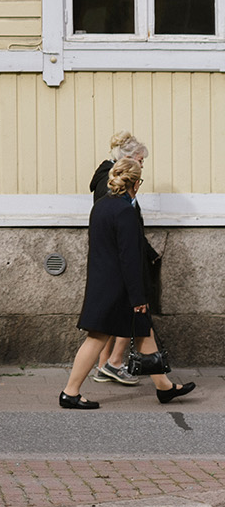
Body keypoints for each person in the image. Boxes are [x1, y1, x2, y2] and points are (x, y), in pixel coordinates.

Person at [60, 157, 196, 410]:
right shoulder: (124, 210)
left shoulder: (100, 206)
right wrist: (138, 297)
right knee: (97, 337)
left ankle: (164, 387)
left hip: (103, 282)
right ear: (135, 183)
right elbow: (129, 258)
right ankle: (70, 392)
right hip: (118, 287)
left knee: (143, 330)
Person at [88, 132, 160, 388]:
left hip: (116, 262)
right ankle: (111, 364)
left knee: (121, 320)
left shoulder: (109, 184)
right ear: (128, 160)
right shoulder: (113, 192)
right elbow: (119, 229)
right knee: (132, 314)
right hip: (118, 264)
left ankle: (108, 366)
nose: (142, 165)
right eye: (140, 160)